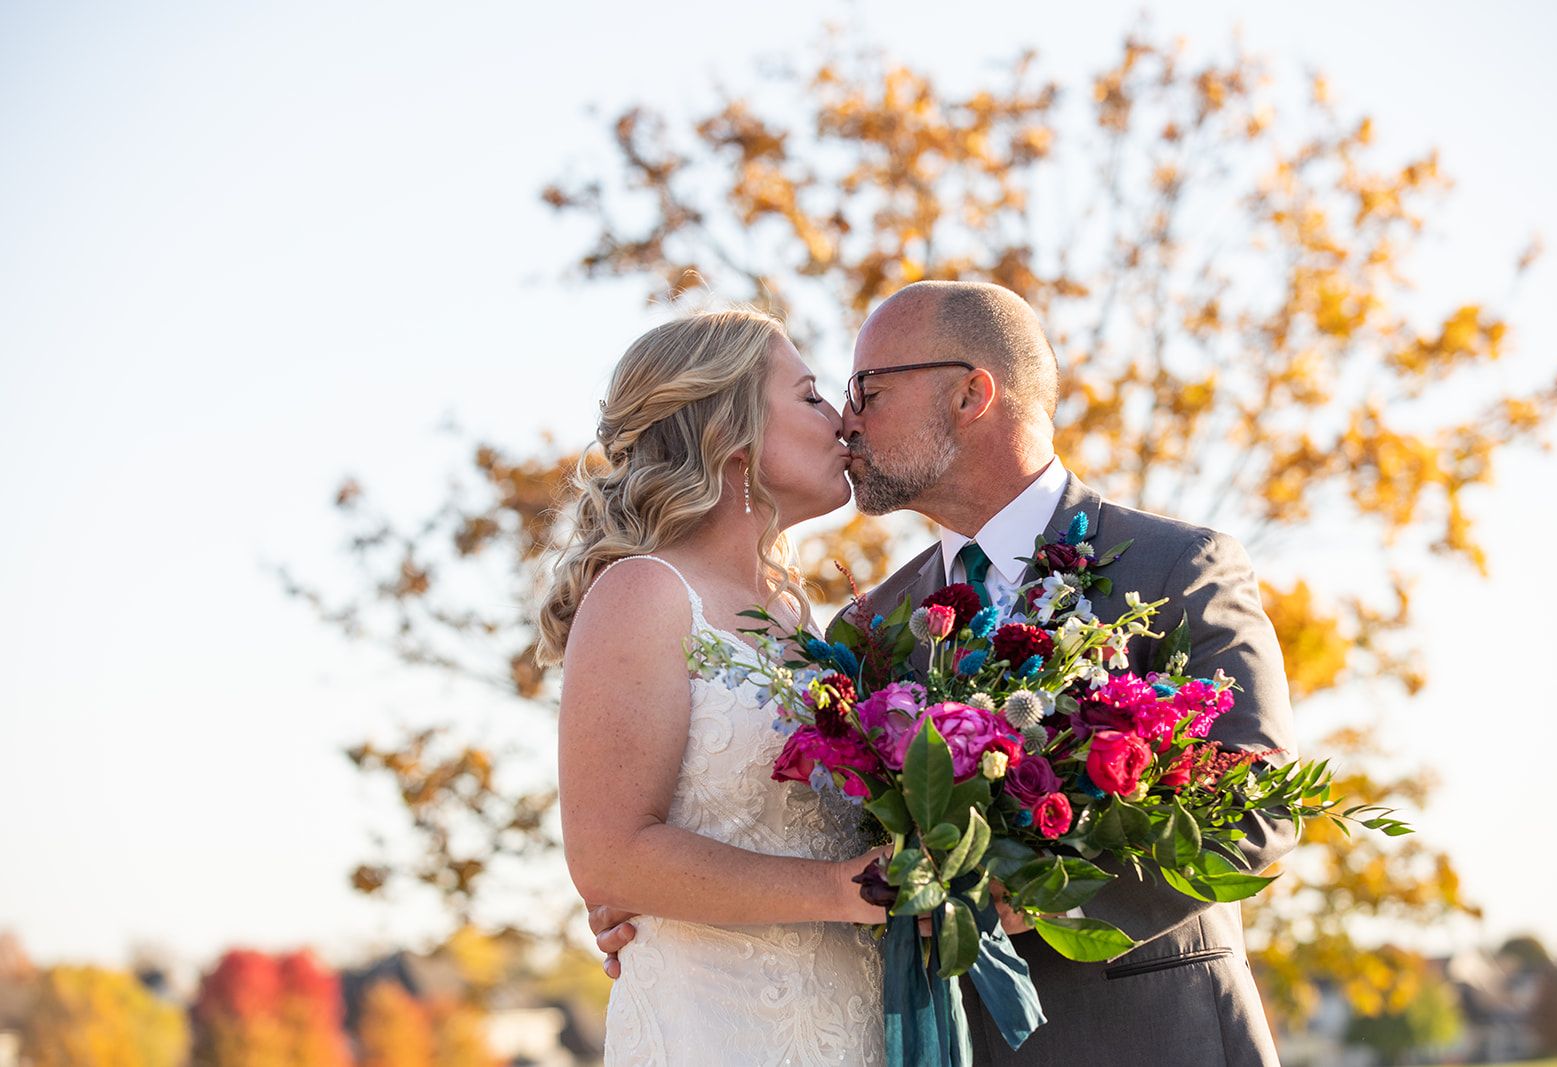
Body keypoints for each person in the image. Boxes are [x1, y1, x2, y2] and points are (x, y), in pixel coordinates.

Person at [594, 281, 1298, 1065]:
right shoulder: (869, 626)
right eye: (834, 394)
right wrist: (652, 898)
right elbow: (836, 843)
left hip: (1154, 1037)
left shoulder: (1178, 566)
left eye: (868, 389)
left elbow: (1254, 808)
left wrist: (1021, 897)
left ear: (970, 394)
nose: (848, 420)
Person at [542, 308, 887, 1066]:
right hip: (717, 1028)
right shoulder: (645, 593)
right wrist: (837, 891)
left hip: (853, 1026)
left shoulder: (805, 620)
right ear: (732, 435)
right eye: (809, 396)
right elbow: (607, 855)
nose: (843, 421)